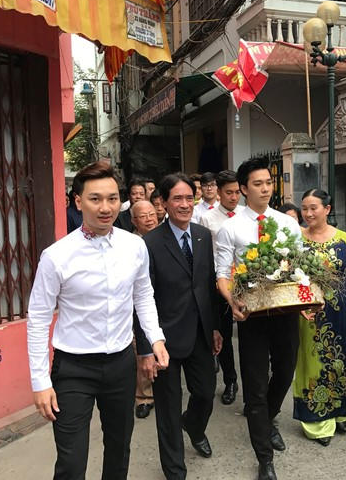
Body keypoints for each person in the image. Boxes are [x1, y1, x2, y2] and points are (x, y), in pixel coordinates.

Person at [27, 161, 169, 480]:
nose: (105, 208)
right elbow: (37, 319)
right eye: (95, 199)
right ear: (79, 202)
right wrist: (40, 381)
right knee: (71, 462)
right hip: (73, 369)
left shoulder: (134, 246)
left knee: (119, 450)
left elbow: (143, 295)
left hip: (120, 364)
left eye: (112, 198)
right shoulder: (57, 256)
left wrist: (155, 337)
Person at [215, 157, 302, 480]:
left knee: (285, 372)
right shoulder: (231, 228)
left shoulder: (287, 223)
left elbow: (299, 265)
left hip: (285, 311)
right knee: (254, 387)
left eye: (268, 183)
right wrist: (231, 300)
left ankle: (268, 419)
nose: (265, 189)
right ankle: (264, 458)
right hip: (251, 315)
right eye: (257, 184)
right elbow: (222, 275)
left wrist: (308, 300)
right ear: (243, 189)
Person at [135, 173, 222, 480]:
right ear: (163, 203)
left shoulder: (202, 235)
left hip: (199, 334)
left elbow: (207, 286)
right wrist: (146, 349)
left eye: (189, 198)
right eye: (177, 199)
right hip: (164, 340)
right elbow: (141, 298)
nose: (185, 205)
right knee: (168, 411)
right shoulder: (149, 244)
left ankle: (194, 426)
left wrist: (215, 328)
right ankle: (175, 472)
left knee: (206, 394)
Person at [292, 189, 346, 447]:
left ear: (327, 209)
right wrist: (298, 305)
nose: (308, 213)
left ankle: (340, 412)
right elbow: (288, 277)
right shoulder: (296, 240)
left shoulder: (344, 239)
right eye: (304, 208)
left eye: (313, 208)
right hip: (311, 315)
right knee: (314, 365)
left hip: (343, 314)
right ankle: (318, 422)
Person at [200, 170, 244, 406]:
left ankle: (251, 383)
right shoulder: (208, 219)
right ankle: (230, 380)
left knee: (249, 335)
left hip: (247, 283)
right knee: (224, 334)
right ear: (218, 192)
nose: (234, 197)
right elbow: (207, 255)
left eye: (237, 192)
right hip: (221, 283)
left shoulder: (246, 215)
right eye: (229, 192)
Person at [130, 200, 160, 419]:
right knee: (142, 348)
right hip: (139, 303)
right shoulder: (130, 244)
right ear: (134, 221)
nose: (149, 219)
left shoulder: (165, 238)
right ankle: (144, 397)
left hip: (164, 302)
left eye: (152, 214)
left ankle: (162, 391)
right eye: (143, 216)